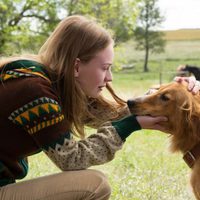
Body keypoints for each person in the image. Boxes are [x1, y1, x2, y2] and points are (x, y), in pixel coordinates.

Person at [0, 15, 199, 200]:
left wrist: (176, 93)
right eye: (105, 68)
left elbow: (108, 114)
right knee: (95, 184)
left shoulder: (49, 82)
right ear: (76, 67)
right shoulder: (35, 93)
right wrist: (131, 125)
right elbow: (72, 159)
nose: (109, 77)